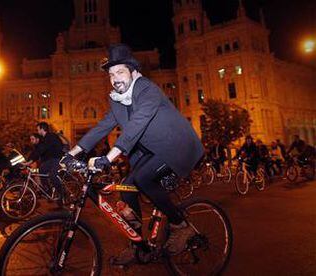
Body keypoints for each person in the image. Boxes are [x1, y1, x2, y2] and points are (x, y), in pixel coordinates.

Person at [60, 44, 204, 265]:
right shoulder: (117, 100)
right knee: (127, 188)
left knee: (143, 179)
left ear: (133, 71)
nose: (115, 78)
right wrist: (71, 153)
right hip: (153, 152)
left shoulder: (147, 89)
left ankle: (180, 226)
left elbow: (138, 124)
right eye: (110, 74)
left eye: (120, 72)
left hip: (178, 148)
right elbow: (102, 127)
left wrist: (108, 158)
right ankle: (137, 245)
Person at [36, 122, 65, 206]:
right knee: (41, 170)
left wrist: (31, 160)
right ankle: (48, 191)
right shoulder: (44, 139)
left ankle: (61, 195)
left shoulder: (51, 137)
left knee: (53, 176)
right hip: (51, 160)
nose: (37, 131)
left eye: (38, 129)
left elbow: (43, 150)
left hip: (57, 159)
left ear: (42, 129)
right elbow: (40, 151)